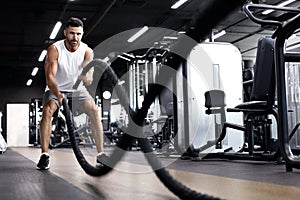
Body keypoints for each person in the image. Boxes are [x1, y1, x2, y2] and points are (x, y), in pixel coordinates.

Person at [36, 17, 106, 170]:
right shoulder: (55, 49)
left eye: (79, 34)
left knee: (94, 110)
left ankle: (101, 155)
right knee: (48, 111)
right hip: (56, 88)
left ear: (82, 34)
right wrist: (59, 95)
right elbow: (50, 79)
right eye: (72, 34)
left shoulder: (87, 51)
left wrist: (87, 78)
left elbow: (89, 77)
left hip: (77, 90)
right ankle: (44, 155)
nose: (75, 38)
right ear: (65, 33)